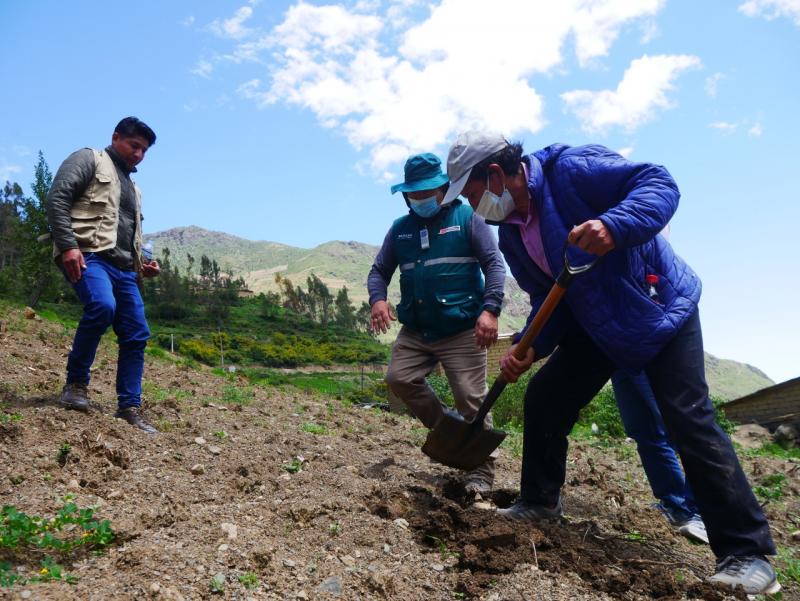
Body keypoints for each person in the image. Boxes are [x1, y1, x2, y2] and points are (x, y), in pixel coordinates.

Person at [439, 131, 778, 595]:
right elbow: (547, 296)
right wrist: (532, 346)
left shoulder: (572, 169)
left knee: (686, 419)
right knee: (546, 397)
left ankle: (746, 553)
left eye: (474, 195)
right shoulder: (512, 232)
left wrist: (615, 225)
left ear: (495, 174)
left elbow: (659, 183)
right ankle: (540, 502)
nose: (476, 207)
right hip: (596, 324)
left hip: (655, 308)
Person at [368, 153, 505, 494]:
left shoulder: (468, 218)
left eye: (427, 192)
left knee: (471, 399)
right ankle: (446, 429)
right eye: (414, 194)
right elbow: (379, 271)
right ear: (405, 195)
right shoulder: (400, 231)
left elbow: (494, 265)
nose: (421, 199)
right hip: (416, 330)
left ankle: (482, 472)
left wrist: (490, 310)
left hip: (461, 329)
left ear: (444, 188)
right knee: (399, 378)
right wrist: (378, 299)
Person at [46, 117, 160, 433]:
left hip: (125, 270)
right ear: (116, 137)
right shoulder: (89, 159)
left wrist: (142, 266)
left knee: (137, 333)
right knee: (101, 306)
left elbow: (128, 234)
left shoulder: (134, 189)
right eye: (134, 145)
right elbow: (57, 197)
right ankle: (76, 385)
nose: (138, 154)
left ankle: (129, 407)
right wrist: (68, 245)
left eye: (144, 150)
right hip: (88, 255)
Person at [612, 371, 707, 544]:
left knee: (685, 426)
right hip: (619, 357)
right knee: (646, 432)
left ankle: (703, 512)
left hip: (648, 350)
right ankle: (676, 506)